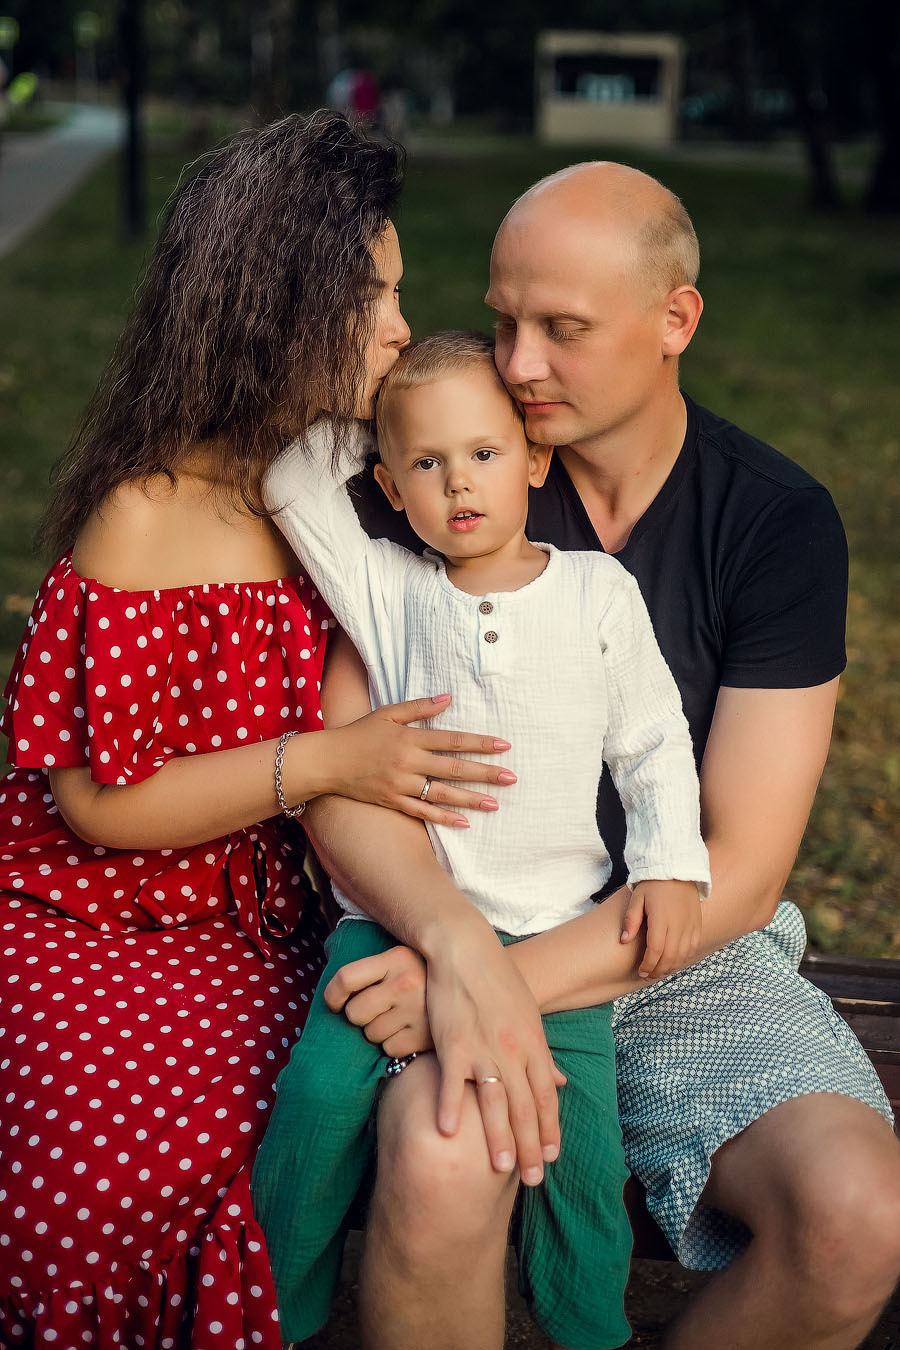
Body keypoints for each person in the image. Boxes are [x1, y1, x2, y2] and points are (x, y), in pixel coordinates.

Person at [297, 163, 900, 1350]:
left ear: (675, 320)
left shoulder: (772, 523)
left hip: (678, 948)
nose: (518, 364)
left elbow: (741, 867)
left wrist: (489, 986)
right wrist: (456, 949)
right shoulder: (448, 467)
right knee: (443, 1157)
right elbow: (346, 773)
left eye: (562, 329)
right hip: (450, 911)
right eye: (505, 320)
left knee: (859, 1217)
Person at [0, 112, 513, 1347]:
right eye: (375, 298)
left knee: (276, 1137)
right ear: (281, 309)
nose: (401, 328)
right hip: (101, 908)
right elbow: (100, 806)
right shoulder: (146, 515)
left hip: (276, 912)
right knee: (100, 1183)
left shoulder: (355, 481)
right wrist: (330, 760)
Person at [252, 326, 712, 1348]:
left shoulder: (596, 592)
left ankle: (588, 1326)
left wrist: (671, 868)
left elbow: (652, 741)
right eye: (426, 463)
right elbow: (290, 477)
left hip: (553, 927)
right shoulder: (386, 587)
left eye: (485, 452)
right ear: (390, 485)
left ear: (534, 460)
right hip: (395, 928)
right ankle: (273, 1306)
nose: (459, 482)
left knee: (581, 1146)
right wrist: (376, 391)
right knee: (317, 1096)